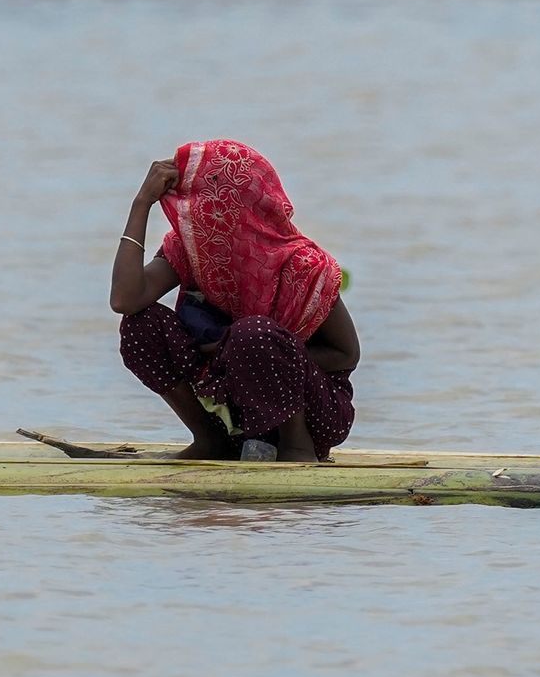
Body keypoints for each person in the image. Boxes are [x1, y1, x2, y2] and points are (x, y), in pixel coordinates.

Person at [106, 141, 361, 461]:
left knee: (253, 335)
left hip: (313, 415)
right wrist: (142, 203)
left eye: (217, 204)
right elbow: (125, 299)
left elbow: (346, 354)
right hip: (226, 404)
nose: (207, 214)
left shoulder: (300, 265)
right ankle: (210, 440)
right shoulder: (192, 251)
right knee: (141, 325)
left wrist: (249, 357)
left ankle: (296, 447)